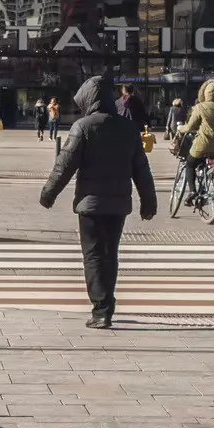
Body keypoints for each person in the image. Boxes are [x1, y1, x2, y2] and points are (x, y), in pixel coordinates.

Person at [39, 76, 156, 329]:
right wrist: (149, 203)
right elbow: (142, 170)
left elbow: (64, 165)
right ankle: (107, 306)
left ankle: (100, 310)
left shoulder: (83, 126)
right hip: (118, 204)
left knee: (93, 255)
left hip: (90, 205)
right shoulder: (128, 128)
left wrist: (48, 194)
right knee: (110, 253)